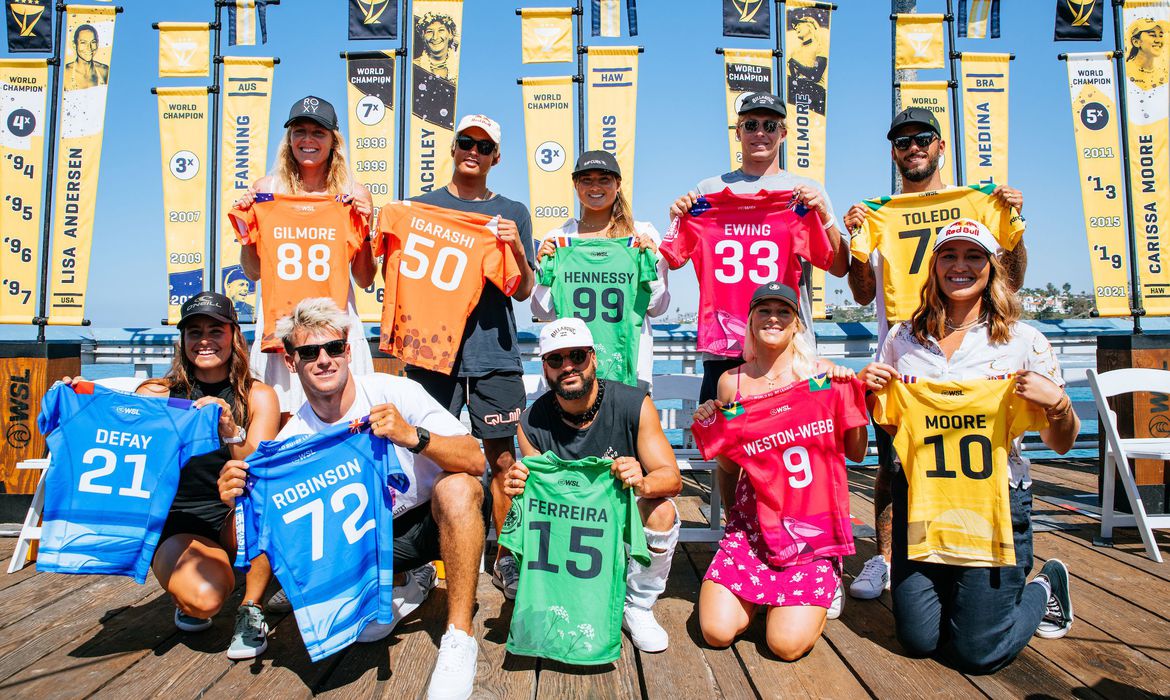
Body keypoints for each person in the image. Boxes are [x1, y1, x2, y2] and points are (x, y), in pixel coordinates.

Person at [218, 297, 487, 700]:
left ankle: (459, 637)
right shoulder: (292, 442)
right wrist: (235, 502)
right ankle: (411, 582)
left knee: (459, 487)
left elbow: (475, 459)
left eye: (334, 348)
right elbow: (248, 543)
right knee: (367, 635)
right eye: (309, 351)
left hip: (430, 521)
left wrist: (413, 437)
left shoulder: (397, 391)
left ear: (348, 351)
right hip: (365, 541)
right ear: (291, 362)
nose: (324, 359)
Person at [858, 219, 1078, 673]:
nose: (961, 266)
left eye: (973, 256)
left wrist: (1058, 405)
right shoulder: (903, 337)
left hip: (994, 506)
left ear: (991, 266)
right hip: (923, 505)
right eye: (949, 256)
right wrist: (866, 388)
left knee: (978, 654)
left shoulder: (1023, 340)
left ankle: (1046, 586)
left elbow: (1062, 444)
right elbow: (878, 420)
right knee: (918, 640)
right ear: (934, 266)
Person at [844, 107, 1028, 601]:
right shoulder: (878, 210)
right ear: (894, 153)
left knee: (982, 455)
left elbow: (1014, 277)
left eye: (923, 138)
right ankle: (885, 559)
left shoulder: (978, 201)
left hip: (974, 346)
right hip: (907, 346)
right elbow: (862, 294)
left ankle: (980, 557)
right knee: (893, 464)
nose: (913, 148)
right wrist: (855, 241)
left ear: (941, 145)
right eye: (903, 142)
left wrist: (1016, 223)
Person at [692, 283, 866, 660]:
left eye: (783, 311)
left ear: (797, 324)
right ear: (750, 321)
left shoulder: (821, 376)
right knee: (716, 632)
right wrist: (714, 423)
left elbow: (855, 453)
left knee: (784, 646)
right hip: (753, 525)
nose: (774, 318)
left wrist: (849, 395)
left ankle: (821, 581)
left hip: (810, 531)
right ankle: (772, 599)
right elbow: (730, 463)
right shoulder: (731, 381)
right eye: (764, 311)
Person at [408, 113, 535, 601]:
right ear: (454, 147)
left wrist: (517, 249)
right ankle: (421, 560)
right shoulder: (419, 206)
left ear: (495, 157)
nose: (473, 152)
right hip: (431, 352)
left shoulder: (513, 210)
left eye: (484, 146)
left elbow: (523, 291)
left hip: (495, 352)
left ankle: (504, 557)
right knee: (425, 458)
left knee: (503, 459)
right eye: (466, 142)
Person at [503, 318, 682, 653]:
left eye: (577, 356)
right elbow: (538, 496)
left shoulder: (634, 403)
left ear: (593, 358)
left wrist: (641, 481)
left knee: (660, 512)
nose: (567, 366)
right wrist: (519, 484)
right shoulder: (530, 423)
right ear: (544, 368)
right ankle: (558, 591)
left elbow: (671, 478)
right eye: (556, 359)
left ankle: (637, 605)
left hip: (621, 517)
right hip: (569, 529)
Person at [668, 91, 849, 404]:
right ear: (738, 133)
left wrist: (825, 217)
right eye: (751, 125)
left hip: (788, 345)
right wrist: (676, 218)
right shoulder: (707, 193)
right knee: (725, 448)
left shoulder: (803, 195)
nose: (760, 132)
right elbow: (672, 259)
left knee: (790, 444)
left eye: (770, 125)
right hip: (724, 345)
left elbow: (838, 265)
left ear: (784, 133)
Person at [137, 292, 280, 659]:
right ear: (182, 341)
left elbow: (259, 463)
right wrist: (79, 395)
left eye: (215, 330)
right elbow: (116, 427)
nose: (204, 339)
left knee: (267, 496)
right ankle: (193, 590)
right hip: (181, 522)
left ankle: (252, 606)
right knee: (205, 601)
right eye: (194, 331)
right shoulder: (156, 393)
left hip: (237, 518)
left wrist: (231, 428)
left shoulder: (257, 396)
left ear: (234, 335)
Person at [233, 95, 377, 414]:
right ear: (289, 138)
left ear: (333, 141)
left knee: (347, 417)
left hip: (335, 325)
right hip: (279, 324)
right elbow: (253, 272)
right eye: (300, 131)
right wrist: (248, 226)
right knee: (278, 417)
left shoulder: (351, 194)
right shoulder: (267, 190)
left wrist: (367, 229)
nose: (308, 140)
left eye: (318, 132)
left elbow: (366, 278)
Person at [532, 150, 670, 390]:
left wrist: (653, 264)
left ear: (617, 184)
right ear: (575, 185)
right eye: (586, 180)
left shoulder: (640, 235)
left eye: (604, 179)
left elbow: (657, 307)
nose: (595, 186)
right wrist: (545, 273)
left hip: (630, 369)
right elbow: (541, 311)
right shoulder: (558, 239)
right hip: (572, 372)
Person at [62, 23, 109, 91]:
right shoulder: (65, 72)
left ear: (97, 44)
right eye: (83, 42)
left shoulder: (104, 71)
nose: (89, 48)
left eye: (93, 42)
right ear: (74, 45)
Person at [1125, 18, 1167, 92]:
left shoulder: (1164, 76)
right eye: (1152, 35)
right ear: (1136, 42)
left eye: (1160, 35)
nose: (1158, 41)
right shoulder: (1124, 72)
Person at [414, 11, 459, 80]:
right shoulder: (414, 66)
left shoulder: (460, 66)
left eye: (441, 30)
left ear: (451, 34)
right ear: (423, 36)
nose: (435, 37)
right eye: (429, 31)